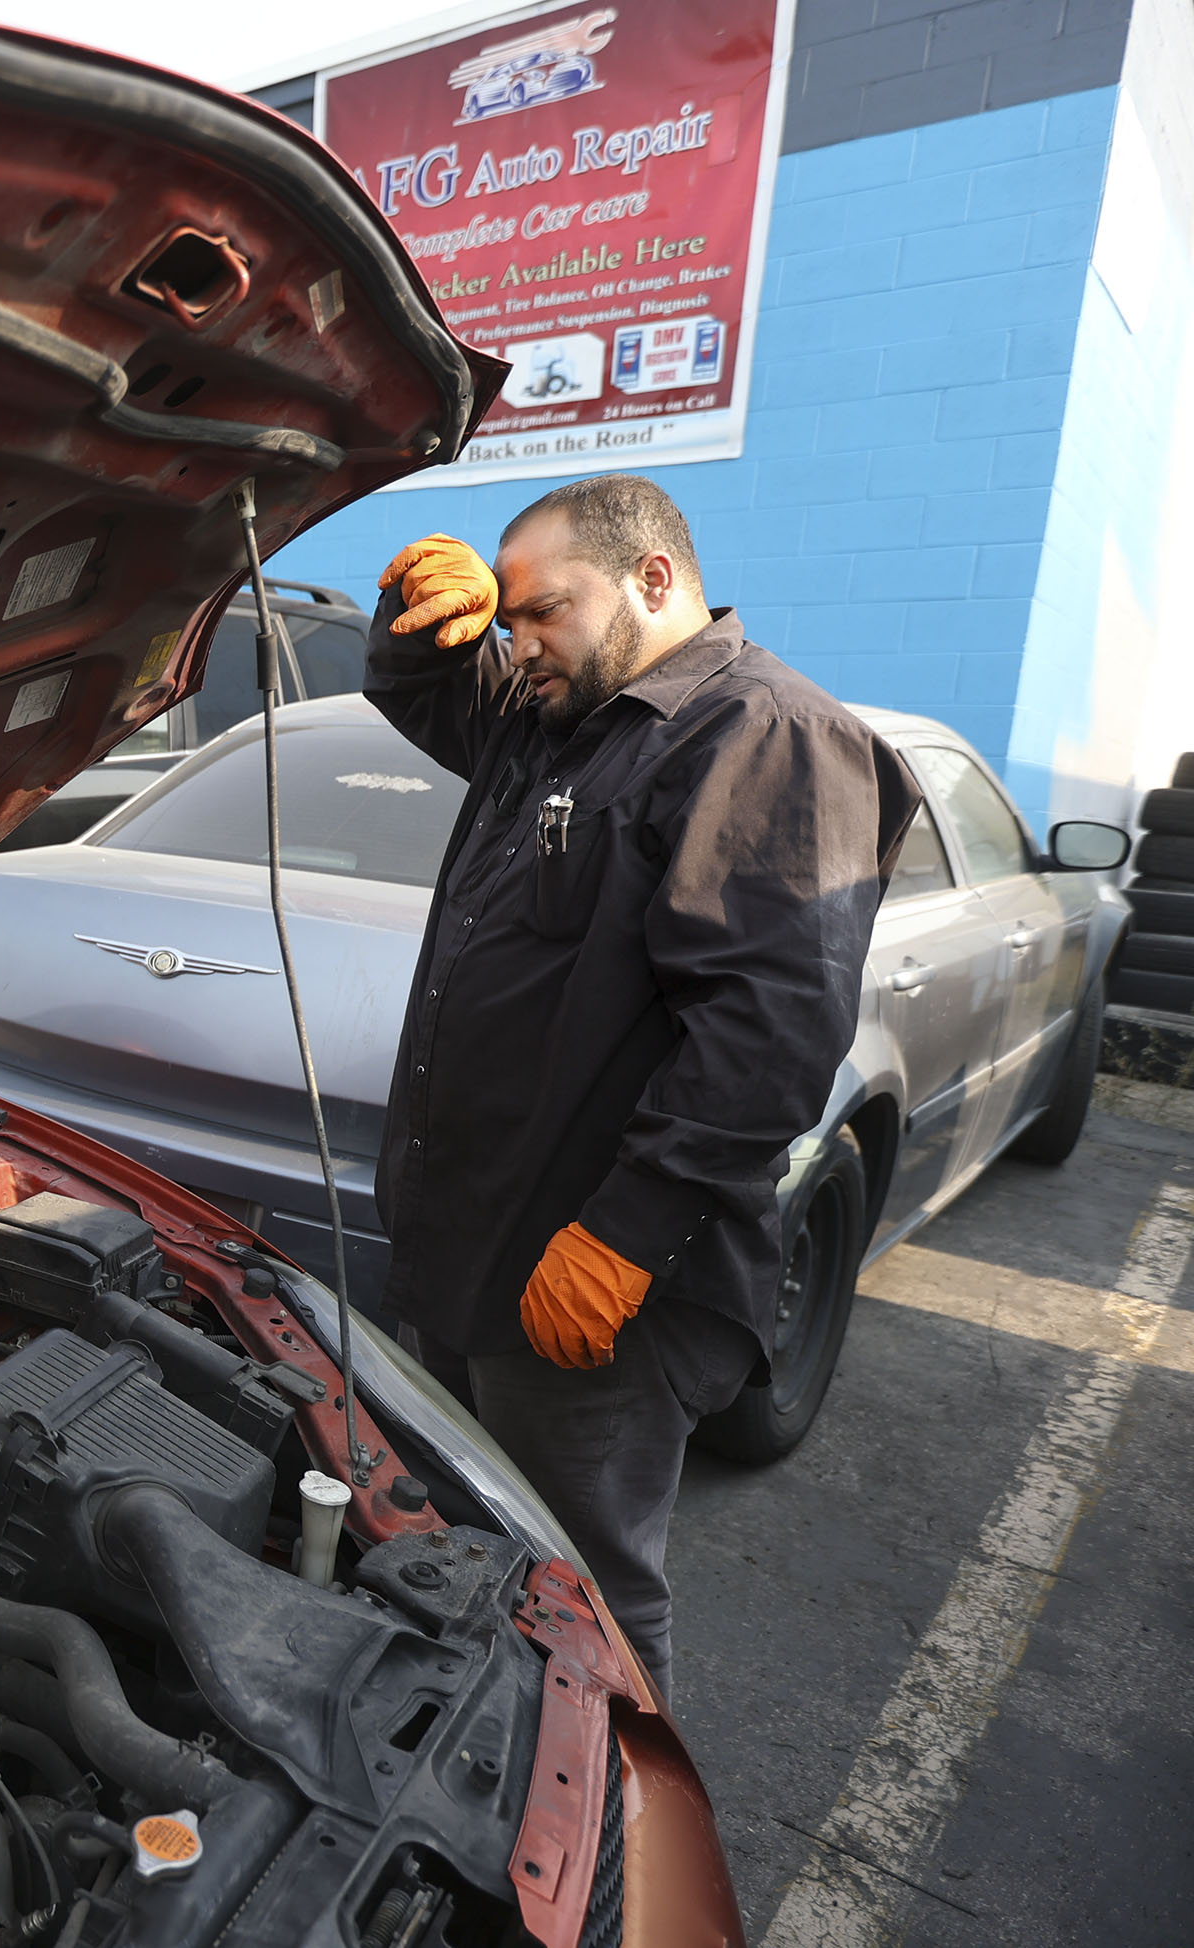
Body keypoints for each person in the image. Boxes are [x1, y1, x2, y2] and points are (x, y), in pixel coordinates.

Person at [364, 473, 919, 1705]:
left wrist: (625, 1234)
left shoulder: (761, 733)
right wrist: (417, 602)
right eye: (507, 621)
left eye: (541, 611)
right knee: (462, 1553)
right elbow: (418, 686)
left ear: (654, 580)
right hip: (474, 1248)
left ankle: (623, 1857)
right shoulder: (563, 719)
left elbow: (772, 1026)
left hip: (590, 1287)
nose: (522, 644)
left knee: (586, 1595)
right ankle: (477, 1787)